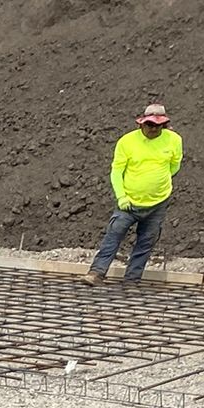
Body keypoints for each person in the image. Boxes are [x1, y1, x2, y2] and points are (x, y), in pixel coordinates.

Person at [84, 104, 183, 286]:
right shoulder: (127, 142)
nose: (154, 129)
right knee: (114, 234)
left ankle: (132, 279)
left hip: (158, 202)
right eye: (150, 125)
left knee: (147, 241)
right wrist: (122, 196)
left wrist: (157, 183)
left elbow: (174, 166)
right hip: (129, 201)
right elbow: (116, 171)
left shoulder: (174, 140)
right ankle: (97, 272)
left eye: (158, 126)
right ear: (141, 124)